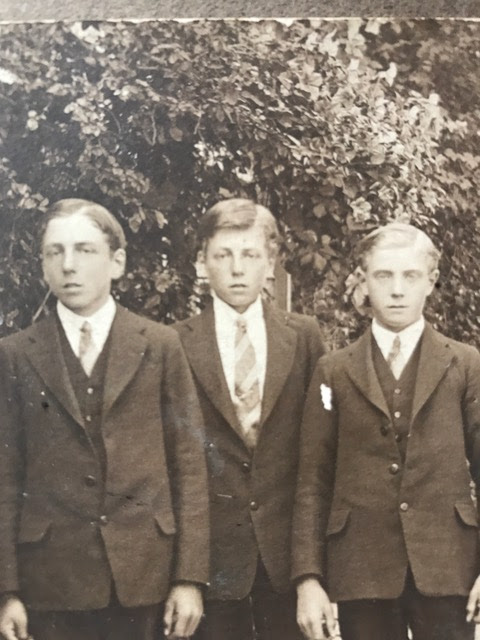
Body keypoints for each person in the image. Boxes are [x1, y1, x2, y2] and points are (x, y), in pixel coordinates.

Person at [0, 198, 209, 640]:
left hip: (144, 579)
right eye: (55, 252)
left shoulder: (160, 345)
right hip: (50, 583)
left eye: (84, 250)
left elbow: (189, 467)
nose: (68, 265)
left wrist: (189, 578)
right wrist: (6, 591)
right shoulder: (15, 354)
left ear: (117, 263)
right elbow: (4, 476)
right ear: (43, 266)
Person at [292, 222, 480, 640]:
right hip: (362, 568)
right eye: (383, 275)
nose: (397, 290)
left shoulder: (466, 364)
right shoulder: (333, 371)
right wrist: (308, 578)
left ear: (431, 281)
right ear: (363, 280)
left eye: (410, 276)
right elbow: (312, 481)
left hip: (448, 565)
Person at [175, 198, 325, 640]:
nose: (237, 269)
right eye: (223, 255)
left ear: (271, 262)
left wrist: (312, 571)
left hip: (287, 560)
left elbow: (318, 458)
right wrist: (185, 573)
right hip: (212, 563)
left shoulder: (304, 337)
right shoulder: (174, 343)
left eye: (250, 255)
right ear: (203, 262)